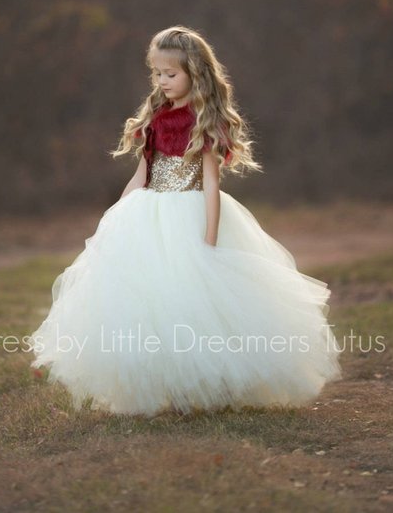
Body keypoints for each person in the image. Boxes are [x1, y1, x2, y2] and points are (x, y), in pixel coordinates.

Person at [29, 25, 342, 416]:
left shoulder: (202, 120)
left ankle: (213, 382)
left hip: (191, 212)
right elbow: (143, 172)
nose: (162, 81)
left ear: (195, 73)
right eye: (157, 73)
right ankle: (171, 389)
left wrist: (209, 238)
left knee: (198, 302)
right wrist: (113, 218)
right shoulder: (156, 117)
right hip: (149, 214)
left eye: (170, 74)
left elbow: (211, 184)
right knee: (151, 301)